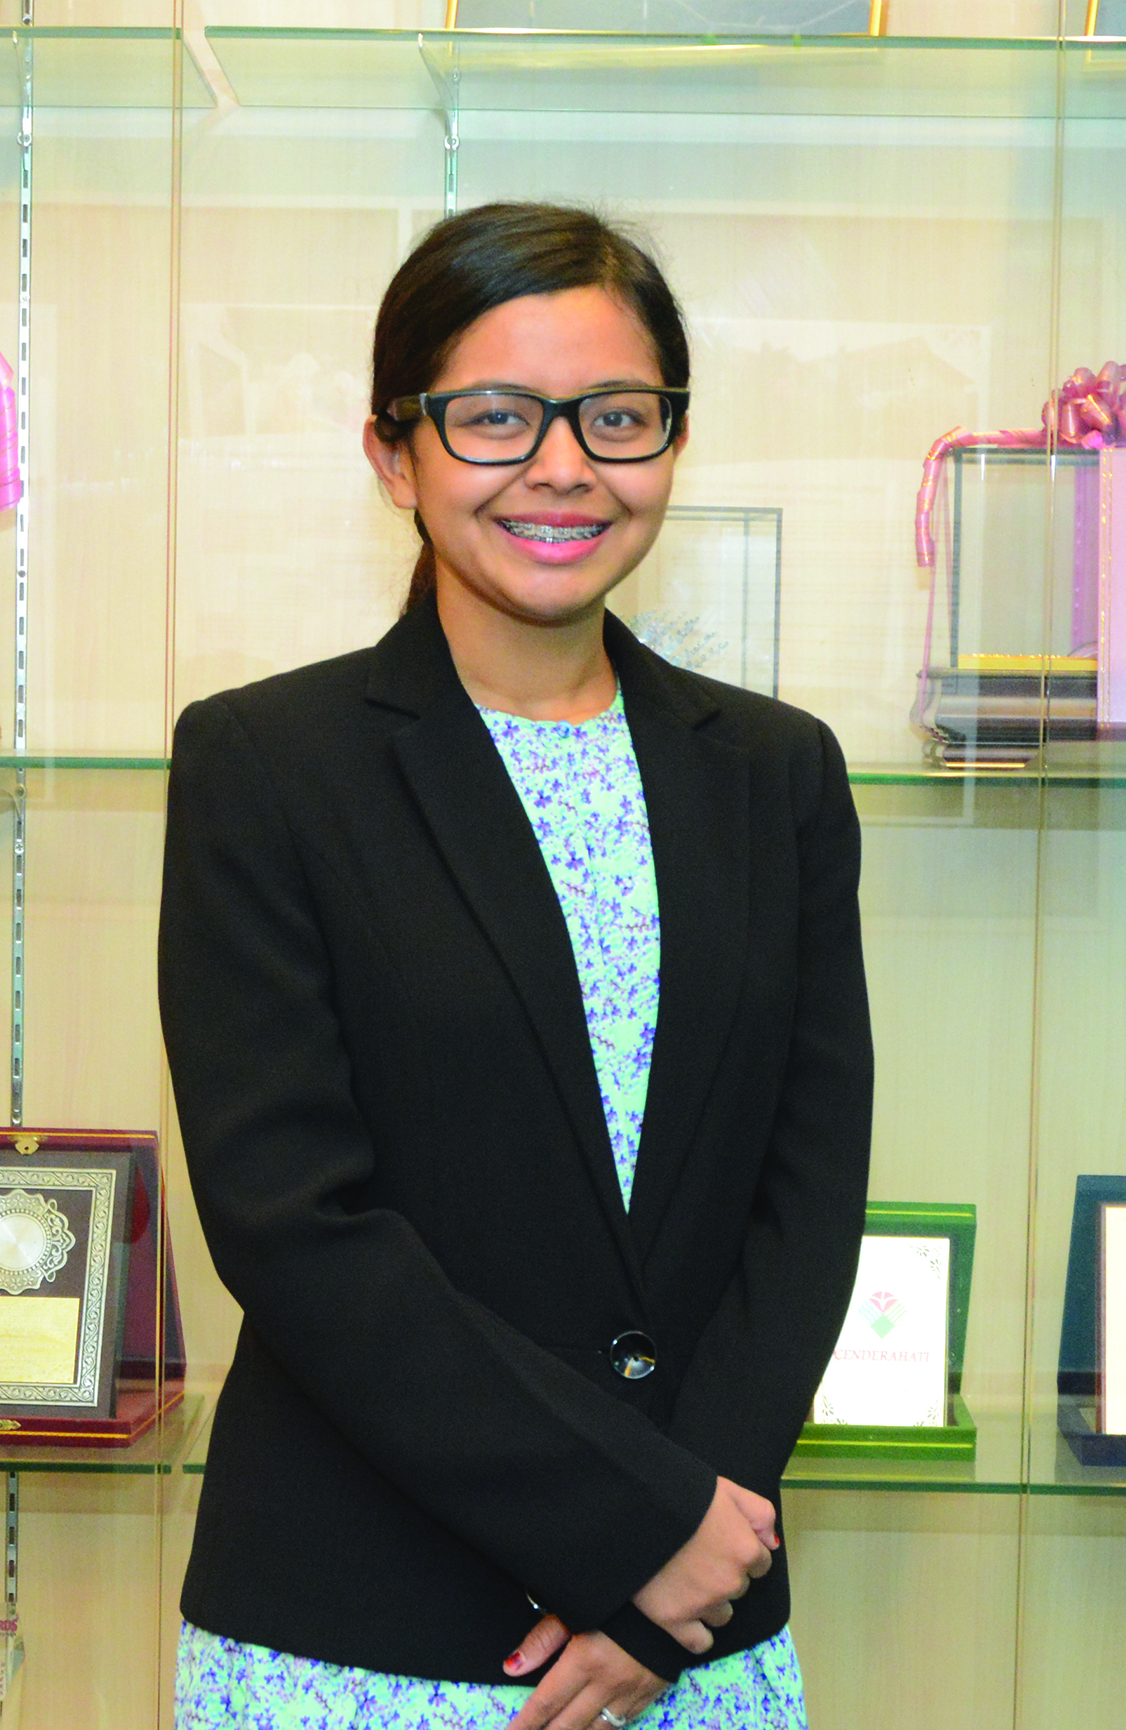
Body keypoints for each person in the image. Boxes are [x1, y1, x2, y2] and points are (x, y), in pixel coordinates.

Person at [160, 200, 873, 1730]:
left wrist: (688, 1561)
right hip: (360, 1625)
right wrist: (636, 1531)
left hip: (703, 1624)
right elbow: (295, 1225)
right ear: (393, 452)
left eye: (616, 416)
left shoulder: (778, 774)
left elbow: (808, 1196)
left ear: (672, 441)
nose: (563, 466)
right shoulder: (266, 767)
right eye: (494, 417)